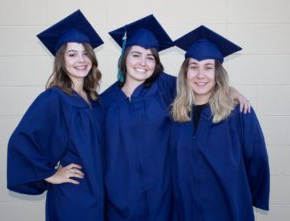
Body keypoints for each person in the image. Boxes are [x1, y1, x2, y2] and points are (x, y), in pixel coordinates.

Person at [100, 15, 250, 221]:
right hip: (121, 201)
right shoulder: (103, 103)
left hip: (165, 200)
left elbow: (200, 84)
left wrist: (230, 90)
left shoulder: (166, 88)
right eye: (136, 55)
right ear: (124, 57)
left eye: (150, 57)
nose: (143, 63)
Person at [7, 10, 105, 221]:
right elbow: (21, 141)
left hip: (100, 192)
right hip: (75, 195)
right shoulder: (54, 98)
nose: (81, 59)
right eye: (72, 54)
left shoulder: (95, 101)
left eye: (85, 53)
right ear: (62, 60)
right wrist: (51, 175)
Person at [171, 25, 270, 221]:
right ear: (185, 73)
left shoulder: (239, 114)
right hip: (186, 211)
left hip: (228, 209)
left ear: (218, 73)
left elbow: (257, 161)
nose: (200, 75)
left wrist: (241, 198)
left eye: (208, 67)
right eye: (194, 67)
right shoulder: (176, 115)